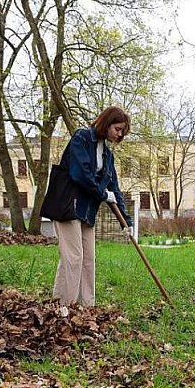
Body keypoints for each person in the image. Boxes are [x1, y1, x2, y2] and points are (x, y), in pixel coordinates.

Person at [52, 106, 133, 310]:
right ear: (106, 123)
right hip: (68, 206)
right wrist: (103, 194)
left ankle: (87, 307)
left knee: (88, 259)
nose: (119, 134)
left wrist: (127, 222)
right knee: (74, 257)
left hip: (88, 211)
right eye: (117, 128)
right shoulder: (81, 138)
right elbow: (80, 174)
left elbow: (114, 187)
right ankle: (65, 307)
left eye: (122, 131)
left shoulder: (107, 155)